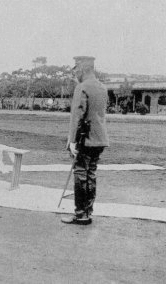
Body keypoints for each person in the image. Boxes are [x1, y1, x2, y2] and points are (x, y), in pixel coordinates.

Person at [62, 56, 109, 225]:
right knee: (91, 174)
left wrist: (72, 141)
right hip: (100, 138)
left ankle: (80, 214)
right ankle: (88, 212)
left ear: (82, 69)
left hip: (85, 138)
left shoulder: (82, 87)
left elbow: (77, 116)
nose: (75, 74)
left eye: (76, 70)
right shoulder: (102, 87)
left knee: (81, 174)